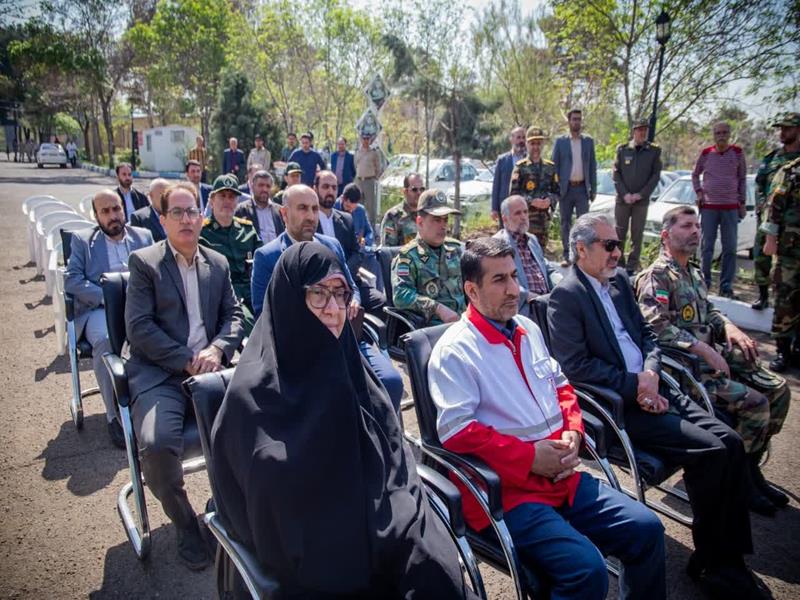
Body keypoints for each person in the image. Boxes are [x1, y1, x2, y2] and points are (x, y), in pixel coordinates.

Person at [212, 241, 473, 599]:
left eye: (340, 293)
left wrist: (392, 519)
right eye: (319, 294)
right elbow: (269, 507)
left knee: (432, 572)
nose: (334, 310)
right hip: (315, 562)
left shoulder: (350, 363)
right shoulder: (252, 396)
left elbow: (391, 453)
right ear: (291, 300)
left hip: (382, 528)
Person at [429, 236, 666, 600]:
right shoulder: (455, 350)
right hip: (507, 495)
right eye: (499, 280)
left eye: (513, 276)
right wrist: (529, 458)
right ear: (471, 291)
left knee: (647, 528)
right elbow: (458, 432)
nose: (514, 289)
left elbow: (561, 387)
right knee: (587, 570)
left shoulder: (528, 329)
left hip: (561, 477)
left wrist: (573, 432)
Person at [548, 213, 766, 598]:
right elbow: (575, 366)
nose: (617, 252)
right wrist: (637, 386)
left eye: (618, 244)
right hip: (621, 407)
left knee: (731, 442)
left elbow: (648, 335)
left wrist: (650, 372)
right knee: (713, 451)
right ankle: (720, 566)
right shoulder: (567, 296)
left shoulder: (619, 282)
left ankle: (718, 557)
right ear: (581, 249)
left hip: (656, 387)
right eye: (609, 245)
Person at [635, 205, 790, 514]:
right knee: (757, 404)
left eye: (697, 226)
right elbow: (655, 328)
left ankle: (750, 469)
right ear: (666, 235)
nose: (695, 231)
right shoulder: (657, 276)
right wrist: (701, 348)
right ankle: (741, 481)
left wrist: (729, 327)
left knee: (779, 391)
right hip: (687, 372)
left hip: (713, 363)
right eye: (686, 226)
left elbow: (709, 312)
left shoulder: (693, 272)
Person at [126, 182, 244, 570]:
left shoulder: (218, 263)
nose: (186, 219)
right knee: (157, 447)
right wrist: (187, 359)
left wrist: (218, 349)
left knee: (261, 419)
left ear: (201, 216)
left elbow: (234, 315)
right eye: (176, 212)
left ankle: (227, 507)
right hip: (161, 375)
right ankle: (186, 524)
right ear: (162, 220)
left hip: (211, 370)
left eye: (192, 211)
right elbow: (139, 328)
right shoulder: (144, 263)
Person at [251, 185, 404, 410]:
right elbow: (262, 314)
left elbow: (351, 285)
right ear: (284, 213)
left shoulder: (331, 245)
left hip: (345, 338)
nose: (310, 216)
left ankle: (374, 430)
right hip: (300, 350)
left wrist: (354, 300)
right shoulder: (268, 256)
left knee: (391, 382)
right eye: (302, 208)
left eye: (314, 209)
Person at [64, 189, 153, 448]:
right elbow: (72, 280)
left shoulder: (143, 236)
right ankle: (115, 417)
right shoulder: (82, 241)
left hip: (139, 307)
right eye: (105, 211)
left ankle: (152, 402)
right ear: (96, 216)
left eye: (116, 209)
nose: (113, 216)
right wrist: (106, 296)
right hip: (99, 308)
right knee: (105, 340)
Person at [200, 175, 262, 334]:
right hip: (224, 293)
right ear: (212, 201)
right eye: (222, 196)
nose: (227, 201)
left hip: (251, 290)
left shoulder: (247, 229)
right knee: (249, 324)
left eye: (232, 197)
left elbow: (262, 261)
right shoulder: (202, 232)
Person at [392, 190, 465, 325]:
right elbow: (401, 296)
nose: (443, 226)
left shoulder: (455, 249)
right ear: (420, 222)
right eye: (437, 220)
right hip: (434, 329)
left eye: (445, 220)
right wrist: (437, 308)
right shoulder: (408, 256)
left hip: (464, 323)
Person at [691, 121, 747, 298]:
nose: (721, 136)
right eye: (718, 133)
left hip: (730, 207)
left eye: (724, 133)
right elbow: (695, 175)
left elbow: (742, 178)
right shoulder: (706, 153)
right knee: (706, 246)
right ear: (713, 135)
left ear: (729, 134)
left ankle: (726, 286)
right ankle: (704, 283)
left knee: (730, 247)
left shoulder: (737, 153)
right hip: (709, 207)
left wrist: (742, 202)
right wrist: (699, 192)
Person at [752, 112, 800, 310]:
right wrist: (762, 205)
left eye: (788, 128)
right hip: (769, 217)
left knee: (790, 262)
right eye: (781, 128)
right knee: (760, 255)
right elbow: (759, 183)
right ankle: (763, 296)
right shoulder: (772, 158)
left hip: (793, 222)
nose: (783, 132)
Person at [316, 171, 384, 312]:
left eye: (334, 187)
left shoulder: (346, 220)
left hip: (349, 280)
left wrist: (344, 273)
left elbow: (357, 253)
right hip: (321, 285)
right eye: (325, 187)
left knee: (380, 302)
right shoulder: (310, 221)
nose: (330, 191)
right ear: (315, 188)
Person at [762, 155, 800, 371]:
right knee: (785, 299)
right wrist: (770, 239)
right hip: (790, 250)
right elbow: (774, 205)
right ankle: (782, 352)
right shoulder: (792, 171)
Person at [612, 119, 663, 275]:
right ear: (634, 131)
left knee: (637, 234)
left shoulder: (653, 151)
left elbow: (655, 176)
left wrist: (641, 194)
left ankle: (632, 267)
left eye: (645, 130)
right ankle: (618, 263)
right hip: (623, 200)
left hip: (641, 201)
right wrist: (625, 194)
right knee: (619, 233)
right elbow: (616, 174)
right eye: (640, 129)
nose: (642, 133)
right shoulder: (623, 149)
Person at [493, 195, 556, 317]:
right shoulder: (497, 244)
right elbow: (500, 281)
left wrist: (561, 283)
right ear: (505, 219)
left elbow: (547, 267)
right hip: (523, 308)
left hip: (547, 304)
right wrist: (527, 295)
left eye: (525, 212)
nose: (523, 217)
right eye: (517, 213)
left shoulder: (532, 240)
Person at [551, 109, 598, 267]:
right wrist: (555, 189)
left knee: (583, 224)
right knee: (565, 223)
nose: (576, 122)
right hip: (566, 189)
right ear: (569, 121)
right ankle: (567, 255)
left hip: (582, 189)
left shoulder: (588, 141)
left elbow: (592, 166)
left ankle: (581, 256)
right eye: (574, 119)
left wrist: (593, 189)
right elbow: (554, 166)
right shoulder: (561, 142)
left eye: (579, 119)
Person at [509, 126, 560, 248]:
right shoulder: (520, 167)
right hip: (524, 220)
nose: (536, 147)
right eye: (532, 143)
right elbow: (513, 195)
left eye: (539, 143)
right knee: (524, 252)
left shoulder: (550, 167)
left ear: (543, 144)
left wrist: (549, 200)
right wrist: (531, 201)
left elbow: (557, 192)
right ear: (527, 144)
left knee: (540, 253)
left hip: (543, 222)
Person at [234, 170, 284, 243]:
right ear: (252, 186)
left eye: (268, 186)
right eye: (261, 185)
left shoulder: (280, 211)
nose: (264, 189)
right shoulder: (241, 210)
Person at [490, 126, 527, 225]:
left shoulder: (529, 159)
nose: (521, 140)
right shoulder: (502, 160)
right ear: (511, 139)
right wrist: (494, 208)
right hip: (506, 206)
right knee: (505, 233)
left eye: (523, 137)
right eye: (518, 137)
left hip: (524, 207)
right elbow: (496, 185)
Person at [380, 172, 423, 246]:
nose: (419, 193)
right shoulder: (393, 216)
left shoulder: (428, 214)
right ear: (405, 192)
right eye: (414, 189)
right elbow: (388, 249)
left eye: (422, 189)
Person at [355, 135, 384, 225]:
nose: (365, 140)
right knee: (358, 205)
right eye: (364, 138)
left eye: (367, 139)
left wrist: (375, 177)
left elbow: (378, 167)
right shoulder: (358, 151)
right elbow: (355, 165)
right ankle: (359, 225)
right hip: (359, 181)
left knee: (371, 206)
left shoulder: (373, 152)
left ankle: (372, 227)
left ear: (370, 140)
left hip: (369, 181)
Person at [130, 178, 169, 242]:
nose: (165, 199)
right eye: (162, 195)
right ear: (151, 196)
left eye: (168, 194)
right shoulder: (139, 218)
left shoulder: (176, 215)